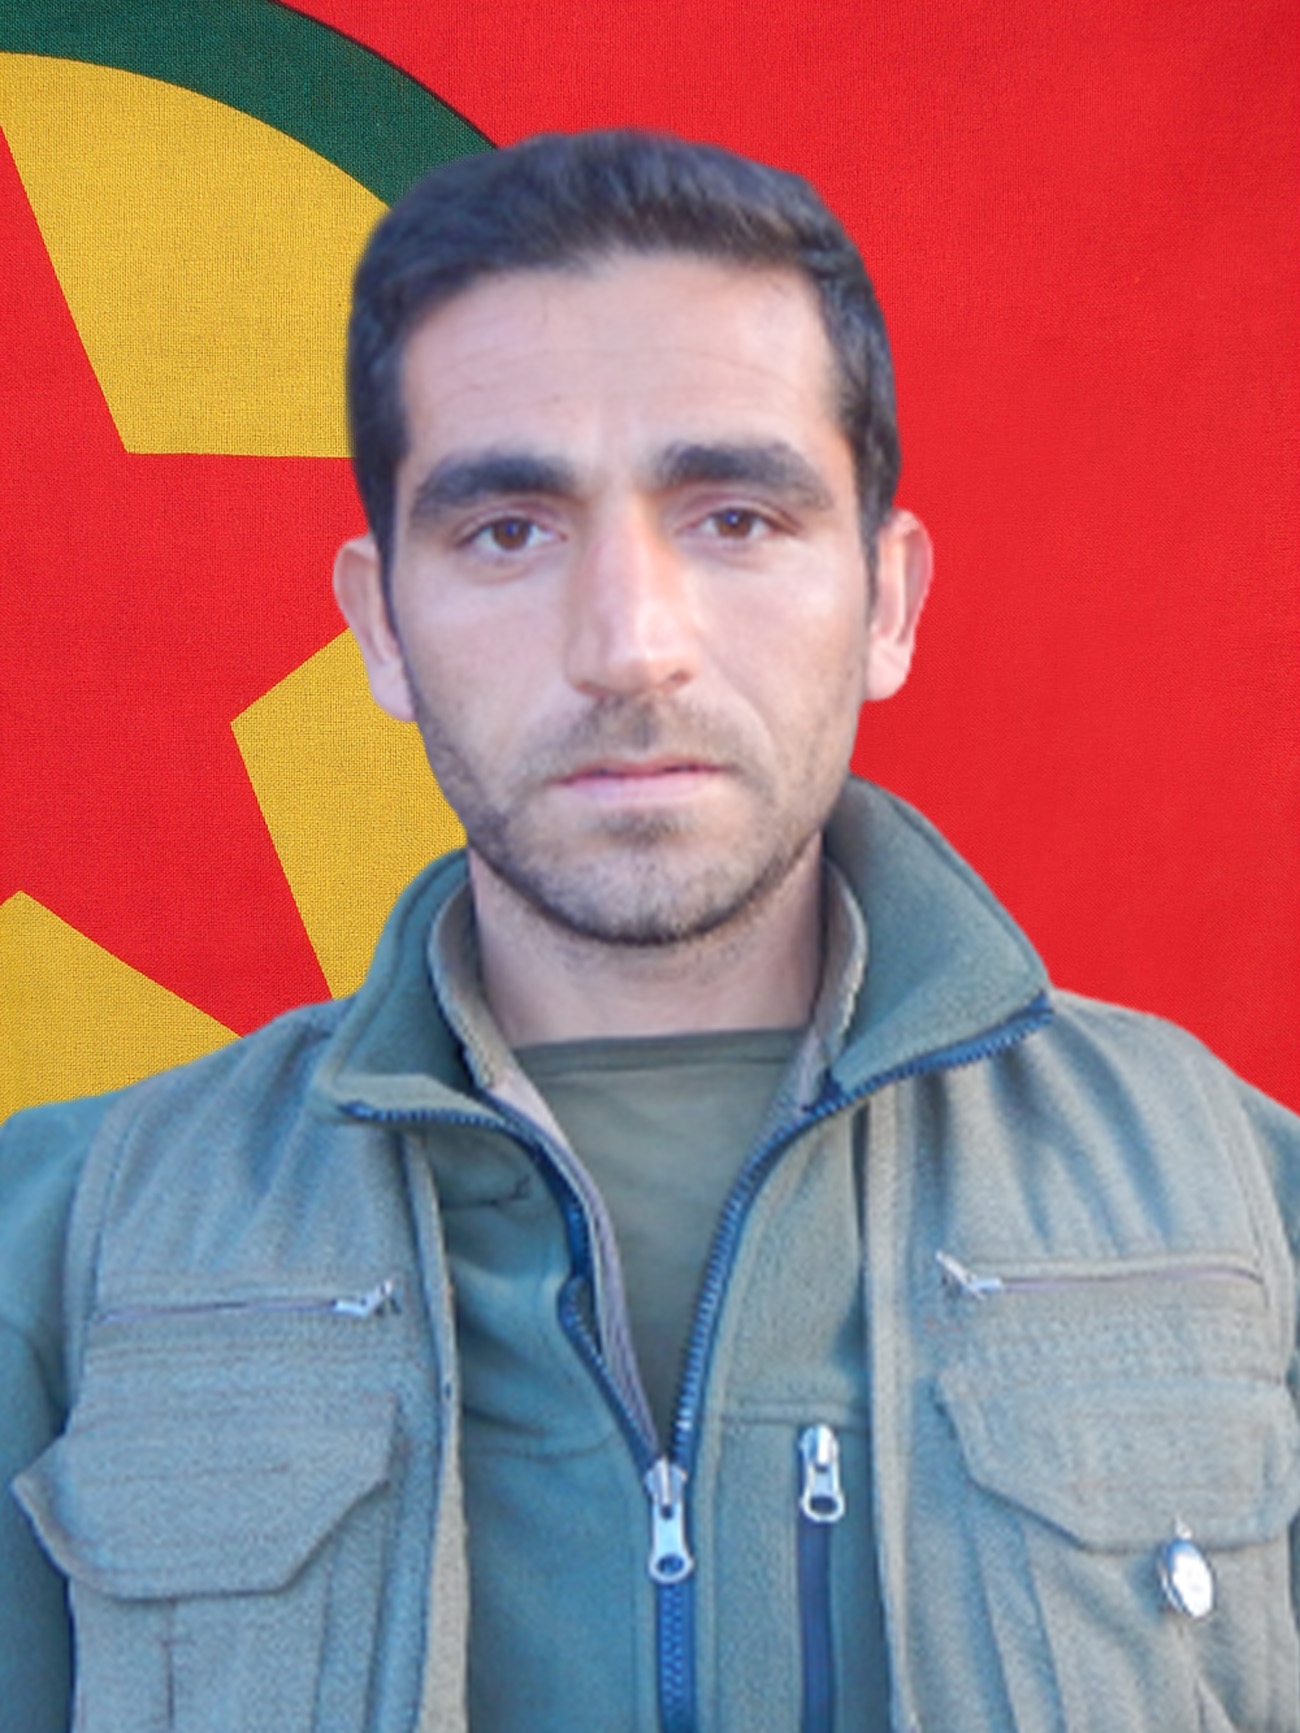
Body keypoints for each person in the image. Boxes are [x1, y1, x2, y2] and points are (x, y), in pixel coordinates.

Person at [2, 129, 1299, 1733]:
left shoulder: (1248, 1212)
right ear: (381, 626)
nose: (629, 645)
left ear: (889, 602)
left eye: (736, 517)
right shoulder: (56, 1262)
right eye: (509, 529)